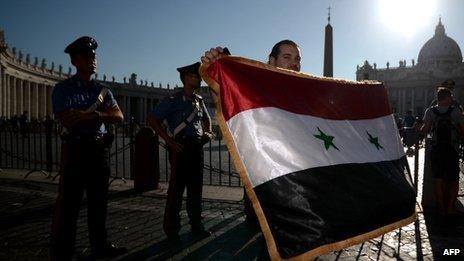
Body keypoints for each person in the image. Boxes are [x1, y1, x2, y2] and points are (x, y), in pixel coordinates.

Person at [201, 40, 302, 225]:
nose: (294, 63)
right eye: (287, 57)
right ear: (271, 61)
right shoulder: (255, 90)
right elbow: (224, 102)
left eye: (297, 59)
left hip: (296, 189)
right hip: (264, 185)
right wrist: (218, 71)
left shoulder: (305, 94)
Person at [50, 36, 126, 260]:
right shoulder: (62, 89)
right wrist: (100, 116)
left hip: (98, 150)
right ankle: (64, 251)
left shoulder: (103, 90)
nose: (92, 59)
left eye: (94, 55)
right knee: (70, 204)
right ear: (74, 61)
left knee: (99, 201)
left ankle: (100, 246)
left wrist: (92, 114)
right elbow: (68, 120)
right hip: (75, 149)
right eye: (86, 56)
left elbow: (119, 116)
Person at [147, 62, 214, 242]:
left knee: (196, 189)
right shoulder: (172, 100)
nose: (198, 79)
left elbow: (207, 120)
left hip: (197, 147)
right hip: (180, 147)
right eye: (194, 76)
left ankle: (196, 225)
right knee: (176, 190)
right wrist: (168, 140)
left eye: (199, 76)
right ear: (185, 78)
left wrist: (208, 133)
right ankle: (172, 230)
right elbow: (152, 120)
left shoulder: (199, 101)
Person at [420, 87, 464, 219]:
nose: (452, 99)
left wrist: (419, 128)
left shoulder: (430, 111)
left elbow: (425, 130)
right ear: (446, 98)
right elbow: (463, 131)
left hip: (436, 149)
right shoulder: (456, 111)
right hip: (452, 149)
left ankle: (441, 209)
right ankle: (450, 207)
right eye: (450, 96)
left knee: (438, 179)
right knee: (453, 180)